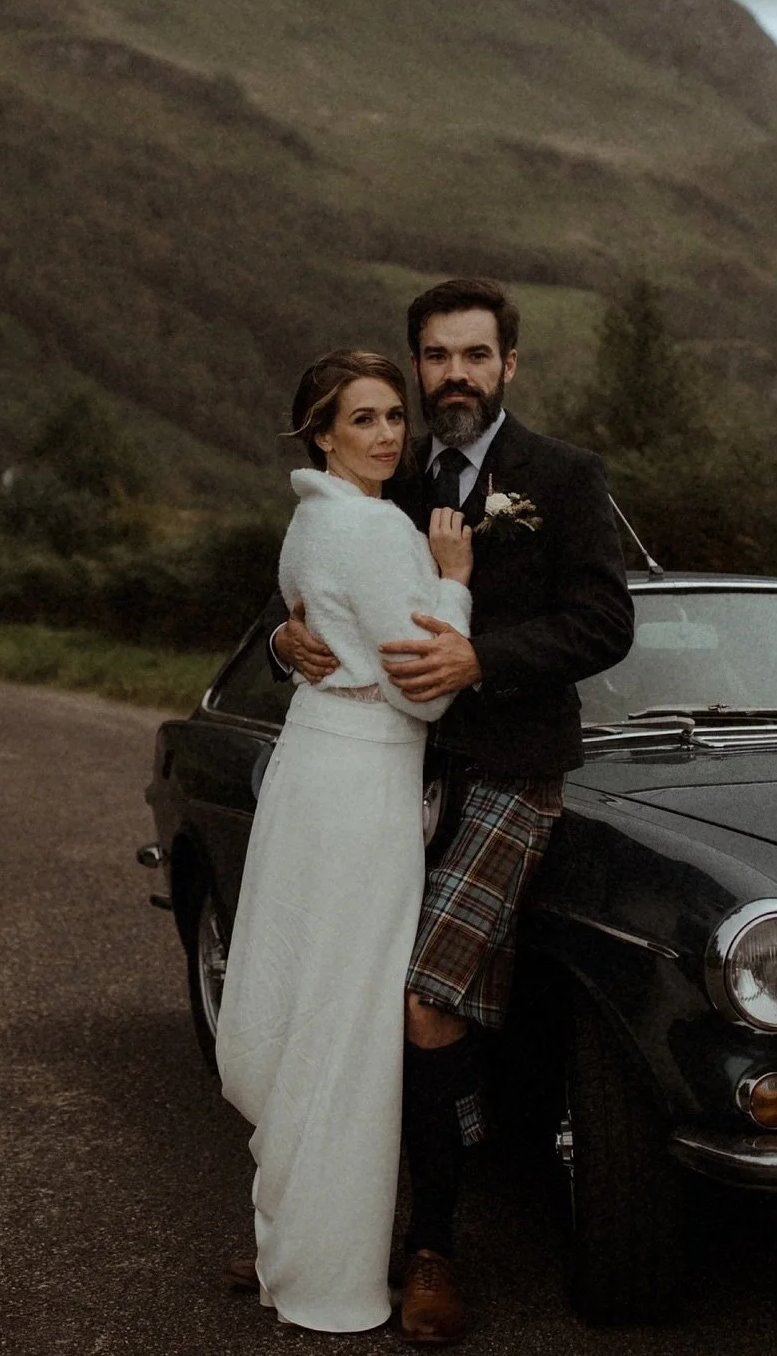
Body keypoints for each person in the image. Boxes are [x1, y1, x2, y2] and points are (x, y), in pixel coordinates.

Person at [270, 278, 635, 1342]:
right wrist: (288, 631)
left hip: (513, 773)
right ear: (416, 365)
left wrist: (484, 654)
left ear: (509, 365)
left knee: (426, 1005)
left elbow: (605, 624)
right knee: (358, 997)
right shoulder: (393, 466)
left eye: (476, 355)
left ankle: (431, 1250)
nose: (455, 376)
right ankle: (323, 1225)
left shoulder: (563, 477)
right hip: (393, 777)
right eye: (436, 357)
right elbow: (329, 566)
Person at [214, 349, 474, 1334]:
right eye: (363, 420)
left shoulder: (311, 521)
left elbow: (319, 628)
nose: (388, 434)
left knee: (307, 1003)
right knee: (348, 1025)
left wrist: (294, 643)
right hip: (364, 782)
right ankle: (325, 1268)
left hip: (313, 770)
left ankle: (292, 1243)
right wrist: (452, 584)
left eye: (393, 417)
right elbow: (436, 684)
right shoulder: (377, 528)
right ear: (321, 433)